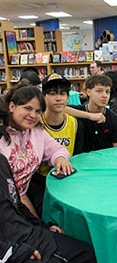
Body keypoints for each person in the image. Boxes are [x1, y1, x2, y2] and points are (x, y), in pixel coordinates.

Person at [0, 153, 101, 263]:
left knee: (89, 259)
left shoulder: (1, 161)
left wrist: (42, 226)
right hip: (9, 254)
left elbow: (16, 204)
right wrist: (14, 252)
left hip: (30, 236)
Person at [0, 85, 72, 218]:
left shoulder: (37, 132)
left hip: (21, 197)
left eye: (38, 111)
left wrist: (60, 158)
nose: (33, 115)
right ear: (11, 107)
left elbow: (57, 148)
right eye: (28, 108)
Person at [28, 73, 84, 217]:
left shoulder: (76, 123)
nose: (58, 98)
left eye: (63, 94)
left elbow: (77, 156)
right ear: (43, 97)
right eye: (52, 94)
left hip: (68, 178)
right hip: (40, 182)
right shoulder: (34, 124)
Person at [71, 74, 117, 152]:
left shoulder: (115, 120)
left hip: (105, 161)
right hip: (80, 161)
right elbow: (58, 109)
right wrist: (89, 116)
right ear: (88, 92)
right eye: (99, 91)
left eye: (107, 92)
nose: (105, 95)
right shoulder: (78, 112)